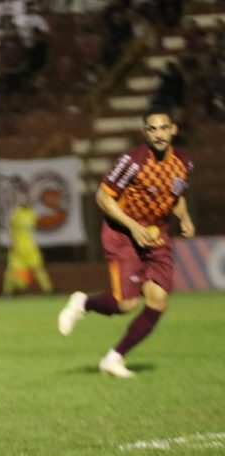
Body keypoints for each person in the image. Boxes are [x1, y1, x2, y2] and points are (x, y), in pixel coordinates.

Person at [58, 105, 195, 378]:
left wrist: (185, 217)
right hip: (122, 234)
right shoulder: (132, 161)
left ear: (173, 130)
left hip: (156, 234)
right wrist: (133, 227)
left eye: (163, 128)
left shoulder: (183, 162)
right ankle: (83, 303)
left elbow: (176, 195)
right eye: (152, 129)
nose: (159, 134)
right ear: (145, 132)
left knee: (158, 300)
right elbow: (103, 197)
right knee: (126, 305)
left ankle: (114, 358)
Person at [2, 185, 53, 296]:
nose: (26, 200)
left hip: (30, 246)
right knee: (11, 270)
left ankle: (49, 290)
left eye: (27, 198)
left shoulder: (31, 213)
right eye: (23, 198)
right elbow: (8, 225)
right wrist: (13, 242)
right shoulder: (16, 212)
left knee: (38, 268)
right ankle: (7, 292)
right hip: (17, 246)